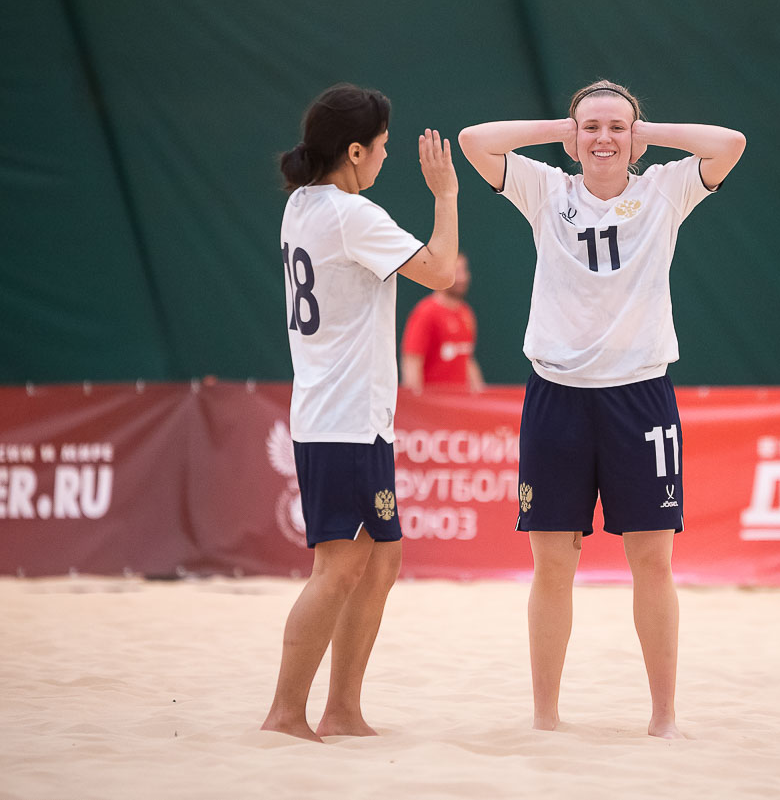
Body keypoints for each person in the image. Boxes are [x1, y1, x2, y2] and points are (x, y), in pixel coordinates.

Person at [457, 80, 745, 737]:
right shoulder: (546, 189)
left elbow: (730, 144)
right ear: (573, 137)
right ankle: (546, 716)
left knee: (653, 560)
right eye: (591, 127)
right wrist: (559, 129)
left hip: (639, 396)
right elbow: (474, 141)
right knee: (553, 562)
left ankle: (664, 717)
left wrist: (647, 133)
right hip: (556, 395)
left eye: (618, 127)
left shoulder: (664, 189)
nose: (604, 138)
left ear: (636, 137)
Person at [261, 83, 458, 741]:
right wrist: (446, 195)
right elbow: (441, 271)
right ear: (352, 151)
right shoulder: (351, 214)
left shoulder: (303, 205)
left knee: (382, 559)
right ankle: (285, 712)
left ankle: (342, 709)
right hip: (342, 418)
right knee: (339, 567)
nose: (385, 156)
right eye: (381, 146)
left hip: (352, 416)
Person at [401, 252, 484, 393]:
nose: (462, 278)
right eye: (456, 272)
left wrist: (480, 394)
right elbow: (412, 362)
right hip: (434, 402)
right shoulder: (426, 312)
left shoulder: (466, 313)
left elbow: (467, 358)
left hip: (461, 402)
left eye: (464, 271)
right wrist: (416, 402)